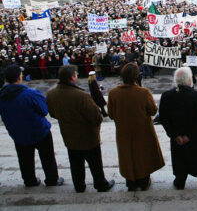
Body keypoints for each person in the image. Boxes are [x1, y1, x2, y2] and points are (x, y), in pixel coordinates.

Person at [46, 65, 115, 193]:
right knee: (95, 164)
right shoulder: (81, 96)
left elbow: (53, 113)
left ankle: (79, 186)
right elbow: (96, 118)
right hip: (88, 136)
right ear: (73, 77)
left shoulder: (51, 94)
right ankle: (101, 184)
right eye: (76, 74)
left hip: (68, 135)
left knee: (75, 163)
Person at [0, 65, 63, 187]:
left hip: (17, 133)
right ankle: (52, 179)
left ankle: (29, 180)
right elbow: (44, 110)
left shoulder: (2, 96)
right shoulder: (30, 94)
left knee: (24, 159)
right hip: (39, 131)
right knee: (47, 157)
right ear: (20, 77)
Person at [108, 63, 165, 191]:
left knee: (127, 155)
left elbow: (111, 114)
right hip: (142, 130)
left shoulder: (113, 93)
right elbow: (153, 111)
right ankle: (144, 181)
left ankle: (131, 182)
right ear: (136, 76)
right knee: (142, 155)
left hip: (123, 131)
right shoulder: (143, 92)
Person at [159, 67, 197, 190]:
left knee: (179, 158)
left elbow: (164, 118)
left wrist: (175, 135)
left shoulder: (166, 96)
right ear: (189, 80)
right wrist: (189, 136)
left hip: (177, 139)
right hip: (195, 138)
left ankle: (180, 180)